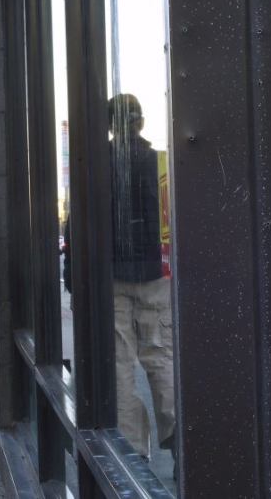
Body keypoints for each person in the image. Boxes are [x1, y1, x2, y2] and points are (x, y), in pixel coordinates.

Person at [108, 94, 175, 463]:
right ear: (141, 123)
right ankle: (178, 433)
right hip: (154, 275)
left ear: (109, 126)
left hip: (113, 275)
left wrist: (74, 275)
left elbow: (80, 222)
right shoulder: (159, 163)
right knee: (160, 355)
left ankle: (134, 452)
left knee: (119, 363)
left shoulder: (98, 161)